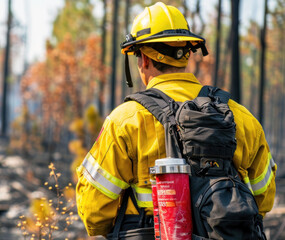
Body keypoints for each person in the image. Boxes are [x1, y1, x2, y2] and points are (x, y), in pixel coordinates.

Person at [76, 2, 276, 237]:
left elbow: (94, 214)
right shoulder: (241, 117)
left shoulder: (125, 121)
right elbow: (264, 199)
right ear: (187, 53)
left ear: (144, 59)